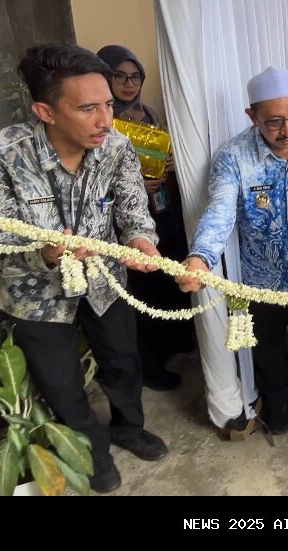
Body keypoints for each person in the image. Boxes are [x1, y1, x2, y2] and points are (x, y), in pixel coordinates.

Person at [0, 44, 167, 494]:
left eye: (108, 105)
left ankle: (128, 429)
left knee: (122, 359)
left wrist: (141, 241)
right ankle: (91, 452)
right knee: (60, 384)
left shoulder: (116, 147)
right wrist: (43, 253)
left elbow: (135, 211)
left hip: (103, 280)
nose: (105, 121)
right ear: (46, 111)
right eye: (87, 109)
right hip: (33, 295)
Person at [176, 67, 288, 436]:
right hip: (262, 274)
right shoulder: (234, 157)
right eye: (274, 122)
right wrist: (201, 257)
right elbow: (220, 210)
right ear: (252, 116)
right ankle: (277, 397)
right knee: (268, 345)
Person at [97, 44, 193, 392]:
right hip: (124, 228)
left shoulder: (147, 115)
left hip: (163, 214)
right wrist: (136, 188)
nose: (128, 83)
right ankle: (150, 365)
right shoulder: (102, 127)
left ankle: (172, 344)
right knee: (143, 293)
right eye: (119, 76)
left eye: (134, 76)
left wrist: (169, 167)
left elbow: (160, 158)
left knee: (168, 280)